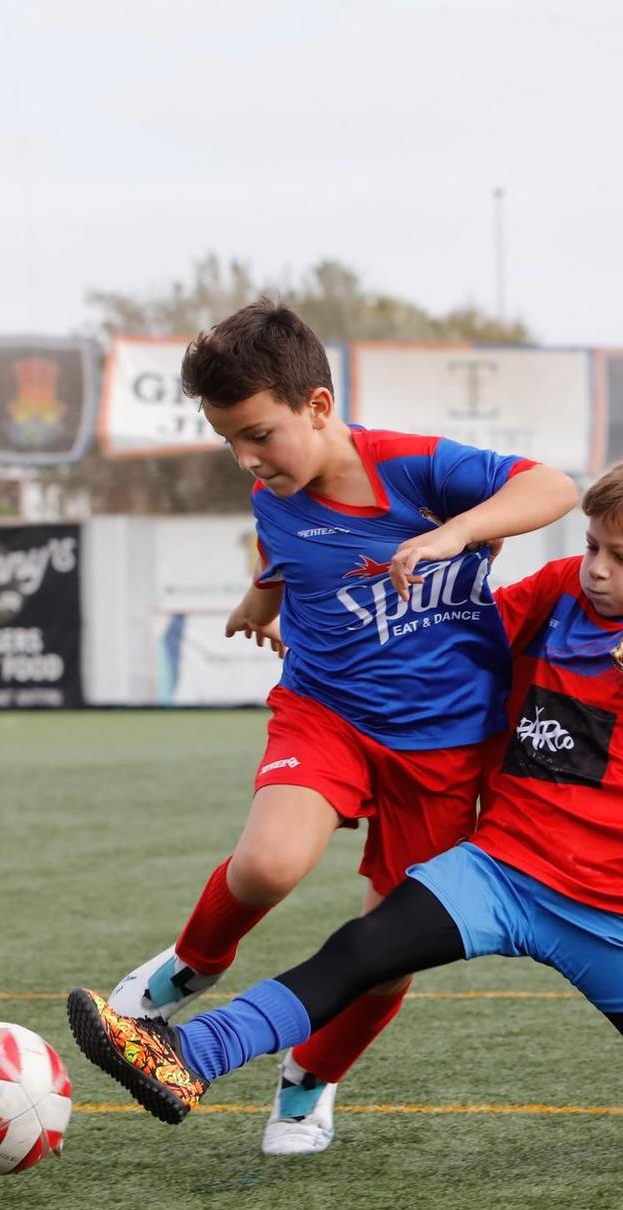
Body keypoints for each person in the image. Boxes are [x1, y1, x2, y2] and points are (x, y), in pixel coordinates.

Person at [67, 454, 623, 1145]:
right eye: (591, 546)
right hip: (502, 869)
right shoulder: (562, 593)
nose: (596, 567)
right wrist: (297, 608)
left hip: (614, 905)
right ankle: (190, 1057)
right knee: (361, 950)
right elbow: (457, 638)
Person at [97, 299, 578, 1155]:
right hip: (326, 710)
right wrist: (264, 592)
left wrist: (455, 532)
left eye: (259, 434)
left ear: (319, 406)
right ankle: (186, 971)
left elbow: (555, 486)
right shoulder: (272, 488)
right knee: (271, 861)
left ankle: (310, 1076)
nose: (246, 459)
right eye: (229, 442)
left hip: (443, 740)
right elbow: (286, 542)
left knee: (388, 948)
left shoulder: (417, 467)